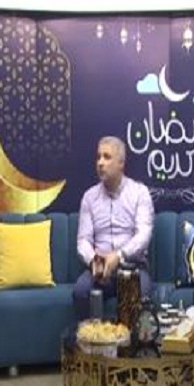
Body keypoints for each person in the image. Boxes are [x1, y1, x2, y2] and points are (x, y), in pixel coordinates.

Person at [73, 136, 155, 319]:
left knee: (139, 293)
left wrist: (118, 256)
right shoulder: (89, 197)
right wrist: (94, 262)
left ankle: (129, 338)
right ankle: (92, 336)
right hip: (98, 269)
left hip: (132, 267)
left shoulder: (139, 193)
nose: (100, 163)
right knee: (80, 291)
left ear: (121, 163)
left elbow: (144, 235)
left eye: (107, 157)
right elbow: (83, 240)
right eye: (98, 157)